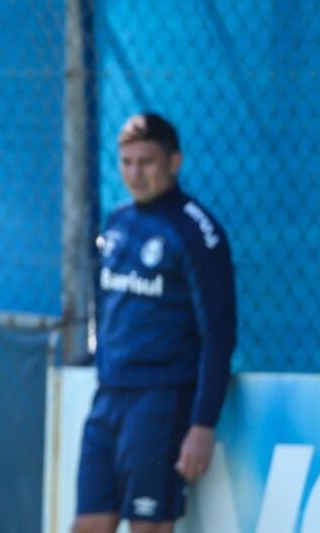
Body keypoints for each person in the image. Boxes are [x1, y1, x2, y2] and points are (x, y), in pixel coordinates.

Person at [73, 113, 237, 533]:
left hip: (160, 401)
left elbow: (219, 333)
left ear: (174, 162)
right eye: (126, 162)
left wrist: (202, 423)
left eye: (146, 161)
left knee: (148, 528)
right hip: (108, 399)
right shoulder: (117, 222)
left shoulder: (197, 232)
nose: (134, 173)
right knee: (87, 525)